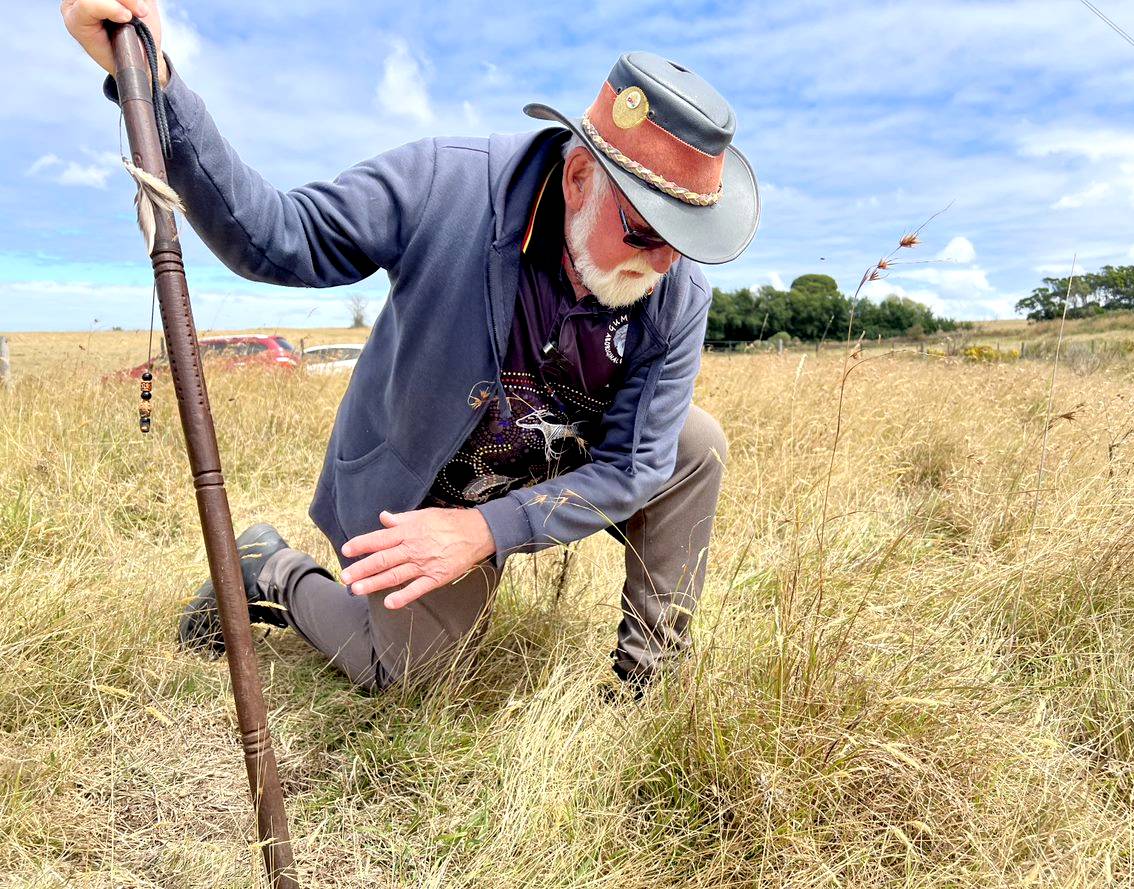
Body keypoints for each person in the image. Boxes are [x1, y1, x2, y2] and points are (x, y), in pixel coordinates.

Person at [62, 0, 760, 699]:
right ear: (579, 178)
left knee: (694, 444)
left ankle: (646, 680)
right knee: (410, 677)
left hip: (543, 464)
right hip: (428, 484)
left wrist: (488, 530)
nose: (664, 263)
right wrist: (156, 84)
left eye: (684, 241)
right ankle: (270, 570)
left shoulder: (676, 293)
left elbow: (635, 466)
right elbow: (275, 237)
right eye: (644, 232)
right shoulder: (442, 185)